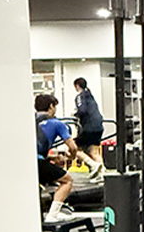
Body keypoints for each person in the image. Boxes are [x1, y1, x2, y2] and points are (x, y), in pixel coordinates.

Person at [35, 94, 78, 223]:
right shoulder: (57, 123)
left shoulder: (30, 121)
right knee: (67, 180)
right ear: (51, 107)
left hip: (29, 161)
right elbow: (73, 147)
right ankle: (53, 215)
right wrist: (71, 156)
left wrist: (53, 156)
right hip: (39, 162)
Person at [72, 78, 105, 178]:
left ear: (77, 86)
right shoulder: (90, 95)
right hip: (98, 126)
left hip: (89, 127)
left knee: (74, 148)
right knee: (94, 152)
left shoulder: (80, 96)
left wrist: (75, 114)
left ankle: (93, 165)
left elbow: (82, 110)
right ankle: (102, 173)